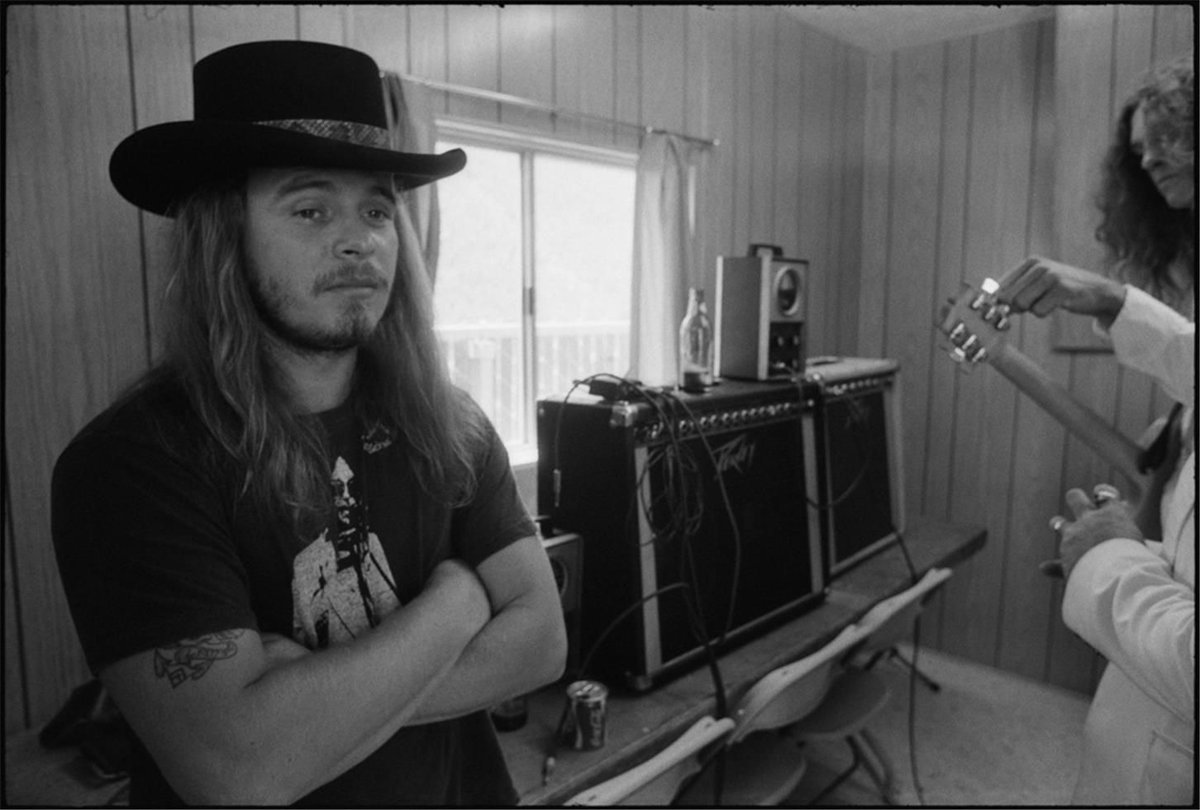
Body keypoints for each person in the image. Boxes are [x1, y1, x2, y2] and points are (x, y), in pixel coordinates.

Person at [50, 40, 566, 806]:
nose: (359, 238)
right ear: (223, 233)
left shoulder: (448, 422)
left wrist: (307, 711)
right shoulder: (133, 465)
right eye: (310, 207)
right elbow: (240, 771)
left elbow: (542, 644)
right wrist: (458, 604)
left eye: (377, 209)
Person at [996, 54, 1194, 805]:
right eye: (1137, 147)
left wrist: (1108, 560)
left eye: (1167, 139)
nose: (1144, 158)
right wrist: (1111, 298)